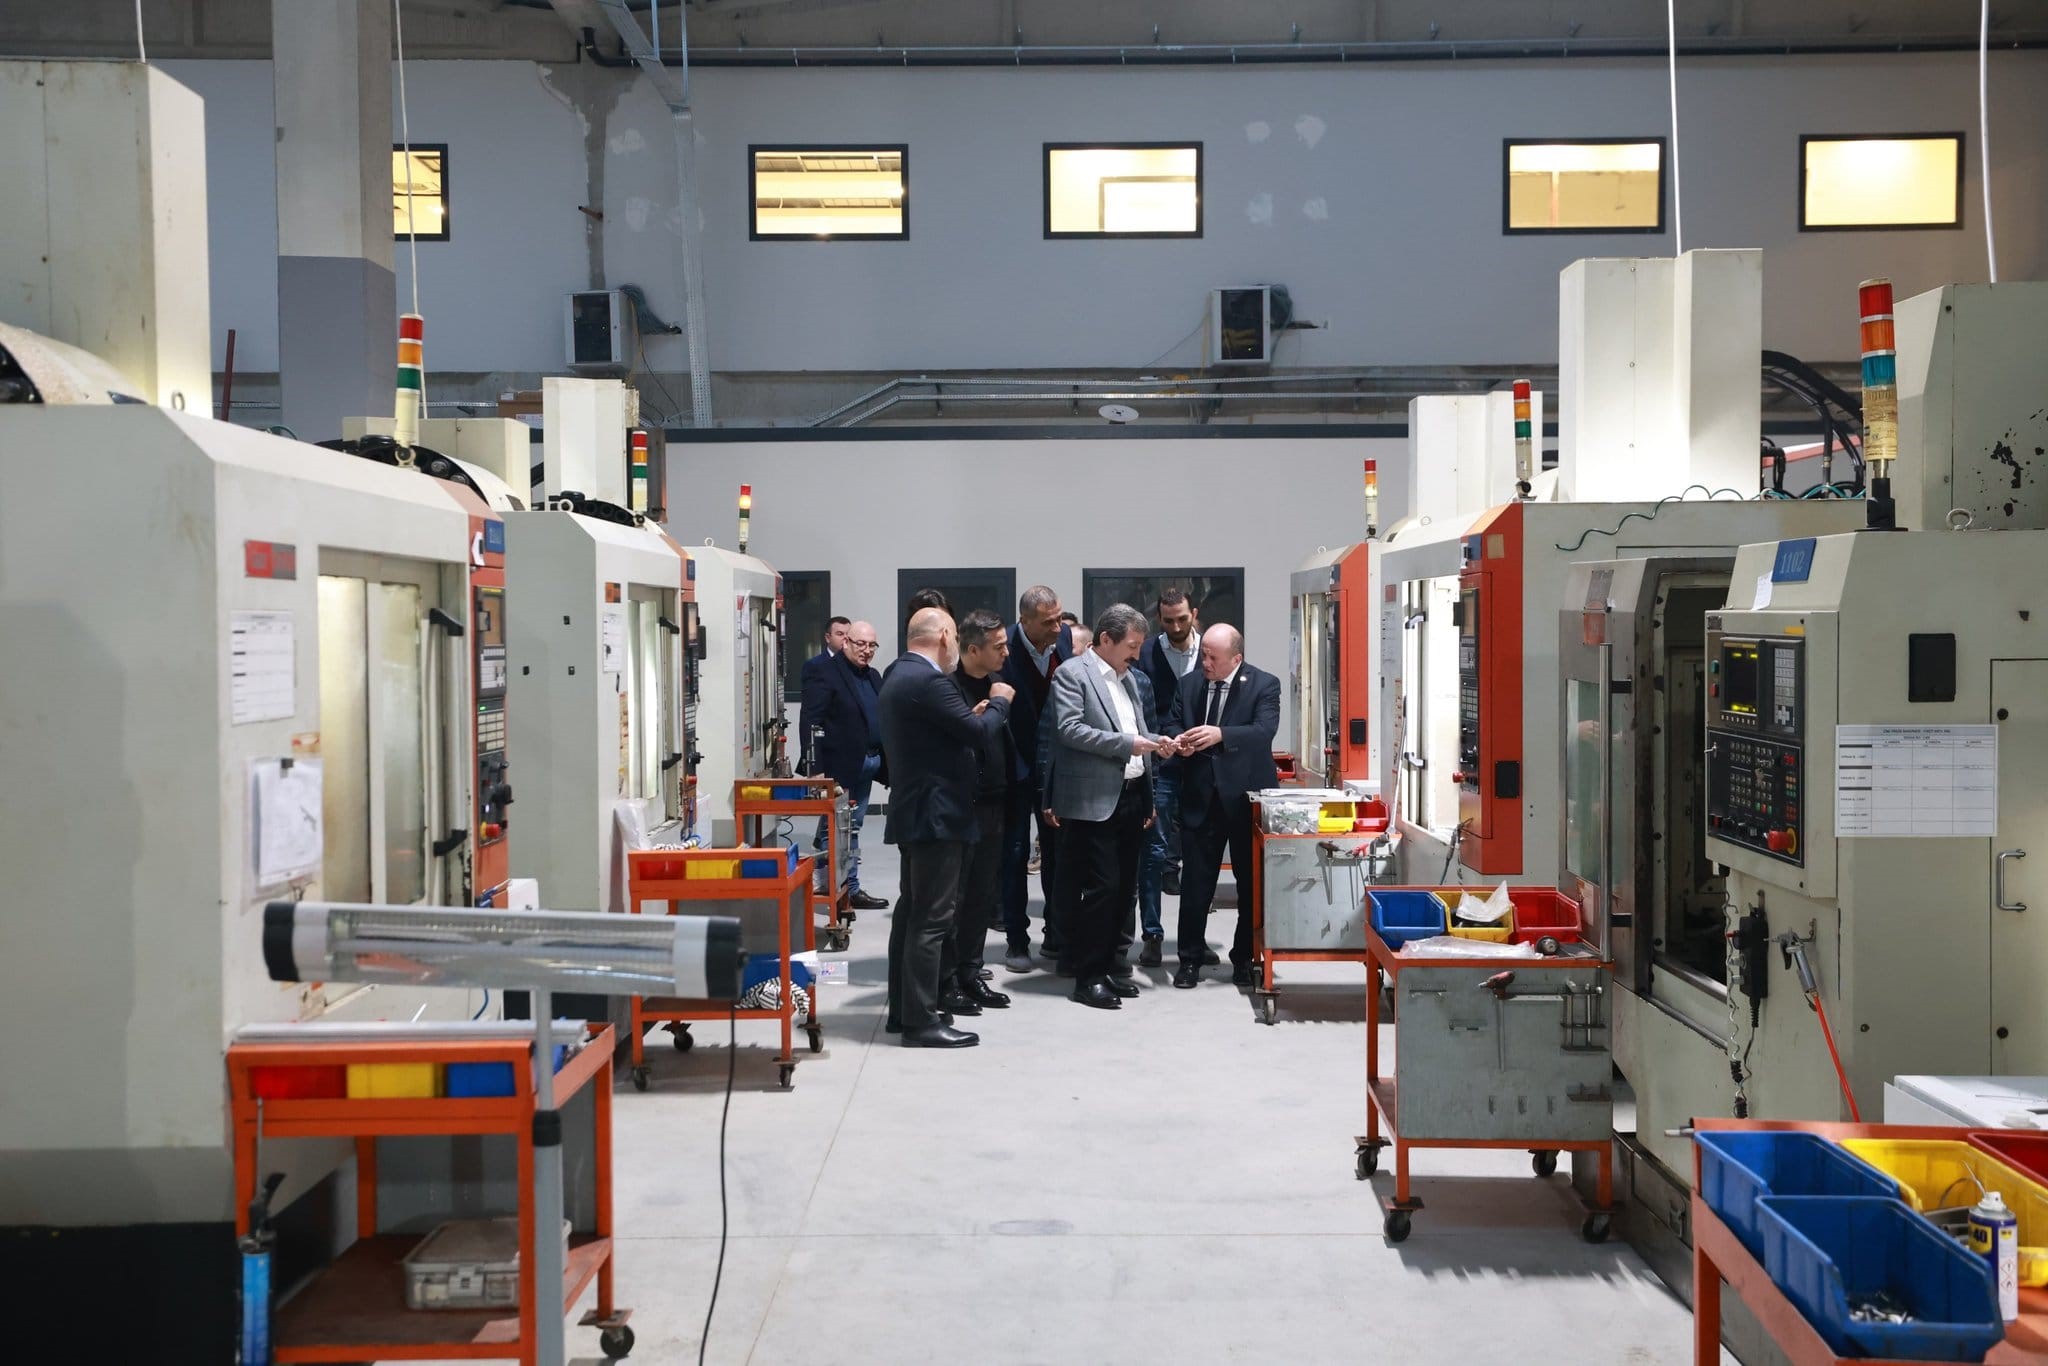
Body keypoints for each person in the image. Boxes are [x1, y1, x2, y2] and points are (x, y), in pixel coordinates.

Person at [878, 607, 1014, 1047]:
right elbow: (978, 734)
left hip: (917, 812)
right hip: (937, 816)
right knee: (932, 920)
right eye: (954, 635)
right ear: (942, 636)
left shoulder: (899, 674)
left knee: (912, 915)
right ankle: (921, 1022)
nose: (955, 644)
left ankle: (904, 1012)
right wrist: (1000, 702)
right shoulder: (930, 680)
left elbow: (942, 733)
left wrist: (972, 717)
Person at [1045, 604, 1168, 1011]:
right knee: (1102, 888)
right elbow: (1069, 730)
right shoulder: (1072, 674)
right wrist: (1130, 744)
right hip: (1092, 801)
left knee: (1123, 890)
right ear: (1105, 640)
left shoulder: (1128, 678)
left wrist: (1159, 744)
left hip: (1131, 795)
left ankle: (1109, 966)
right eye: (1131, 645)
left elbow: (1136, 731)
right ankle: (1088, 977)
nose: (1137, 653)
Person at [1162, 624, 1280, 989]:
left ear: (1236, 659)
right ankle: (1189, 959)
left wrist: (1221, 734)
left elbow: (1263, 731)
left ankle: (1243, 958)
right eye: (1203, 655)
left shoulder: (1264, 685)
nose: (1205, 662)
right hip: (1201, 799)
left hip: (1245, 801)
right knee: (1195, 886)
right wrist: (1180, 743)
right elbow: (1172, 722)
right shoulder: (1189, 685)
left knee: (1250, 885)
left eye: (1213, 657)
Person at [997, 586, 1074, 973]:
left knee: (1057, 852)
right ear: (1024, 621)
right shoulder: (1004, 649)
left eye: (1059, 618)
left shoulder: (1065, 642)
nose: (1058, 627)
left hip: (1054, 768)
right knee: (1014, 854)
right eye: (1048, 622)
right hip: (1013, 768)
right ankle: (1016, 939)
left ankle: (1056, 933)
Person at [945, 610, 1015, 1012]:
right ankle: (948, 980)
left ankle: (971, 973)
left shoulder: (998, 684)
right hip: (962, 806)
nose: (1006, 652)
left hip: (995, 802)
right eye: (998, 646)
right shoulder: (949, 689)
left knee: (981, 896)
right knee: (955, 898)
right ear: (973, 649)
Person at [799, 620, 887, 912]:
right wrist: (815, 769)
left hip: (867, 764)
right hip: (838, 767)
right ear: (846, 642)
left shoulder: (872, 676)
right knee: (836, 831)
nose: (867, 650)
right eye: (861, 644)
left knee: (852, 827)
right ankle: (839, 890)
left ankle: (846, 887)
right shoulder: (825, 672)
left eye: (872, 645)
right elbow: (811, 721)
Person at [1135, 588, 1202, 962]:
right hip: (1159, 762)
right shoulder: (1146, 653)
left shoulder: (1210, 651)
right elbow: (1138, 708)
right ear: (1158, 618)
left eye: (1182, 619)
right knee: (1154, 850)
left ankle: (1194, 939)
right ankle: (1152, 934)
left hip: (1202, 762)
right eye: (1168, 620)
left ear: (1194, 614)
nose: (1176, 627)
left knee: (1199, 851)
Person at [798, 616, 851, 776]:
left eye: (848, 635)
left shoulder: (854, 665)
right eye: (840, 634)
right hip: (829, 747)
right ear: (828, 638)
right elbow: (810, 717)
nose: (845, 639)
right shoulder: (816, 666)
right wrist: (814, 762)